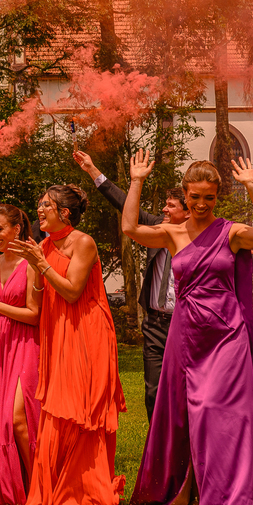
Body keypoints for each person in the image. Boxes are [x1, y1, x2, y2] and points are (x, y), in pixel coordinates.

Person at [124, 153, 253, 505]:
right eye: (195, 196)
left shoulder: (231, 232)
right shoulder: (172, 233)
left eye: (208, 197)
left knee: (219, 412)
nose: (201, 204)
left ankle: (231, 493)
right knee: (187, 413)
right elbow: (130, 228)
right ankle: (188, 487)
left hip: (227, 333)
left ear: (217, 197)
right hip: (187, 332)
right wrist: (136, 180)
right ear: (186, 194)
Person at [8, 184, 125, 505]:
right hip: (58, 331)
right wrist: (34, 265)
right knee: (59, 405)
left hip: (87, 331)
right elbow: (38, 296)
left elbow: (73, 291)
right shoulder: (43, 245)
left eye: (46, 205)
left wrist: (40, 263)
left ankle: (88, 490)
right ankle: (54, 489)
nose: (39, 210)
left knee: (84, 407)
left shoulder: (83, 243)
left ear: (65, 213)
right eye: (40, 204)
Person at [74, 149, 188, 421]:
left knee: (185, 391)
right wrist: (92, 169)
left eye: (171, 206)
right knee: (153, 392)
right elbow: (122, 201)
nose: (163, 209)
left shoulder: (202, 236)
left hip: (185, 323)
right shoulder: (155, 226)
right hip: (155, 325)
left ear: (187, 212)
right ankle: (157, 451)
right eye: (164, 204)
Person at [0, 205, 41, 505]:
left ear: (17, 228)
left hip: (26, 342)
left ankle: (39, 482)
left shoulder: (31, 263)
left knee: (19, 417)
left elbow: (34, 314)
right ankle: (19, 486)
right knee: (3, 419)